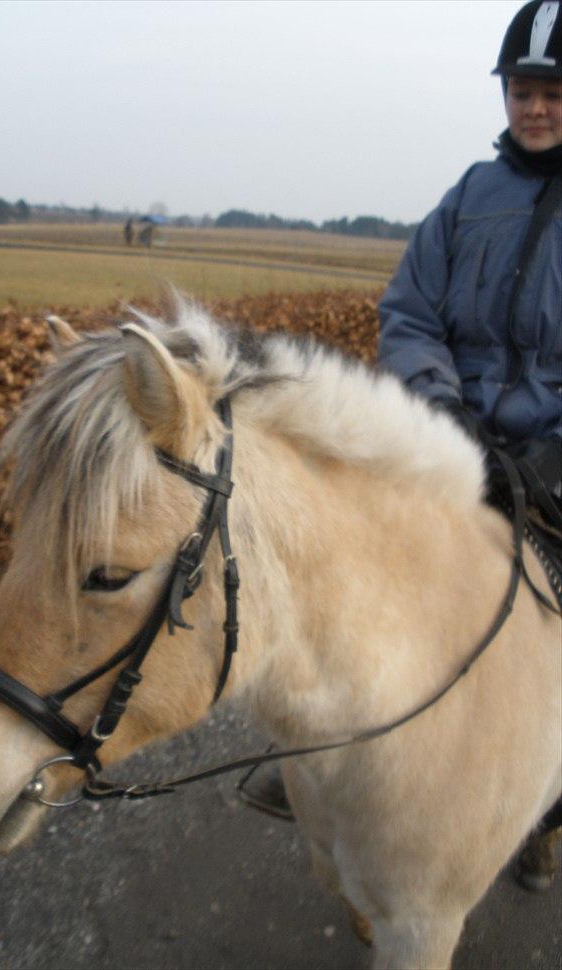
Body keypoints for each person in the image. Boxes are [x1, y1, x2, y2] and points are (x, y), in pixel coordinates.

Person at [241, 2, 562, 880]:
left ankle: (541, 803)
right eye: (523, 90)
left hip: (556, 457)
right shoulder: (468, 196)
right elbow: (411, 313)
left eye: (553, 91)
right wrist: (438, 407)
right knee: (354, 566)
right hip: (452, 437)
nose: (535, 107)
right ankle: (320, 762)